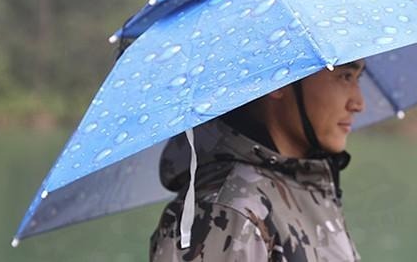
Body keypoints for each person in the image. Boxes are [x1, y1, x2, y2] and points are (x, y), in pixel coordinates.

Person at [150, 61, 365, 261]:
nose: (358, 103)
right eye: (345, 77)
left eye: (358, 77)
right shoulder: (227, 211)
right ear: (280, 80)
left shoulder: (309, 186)